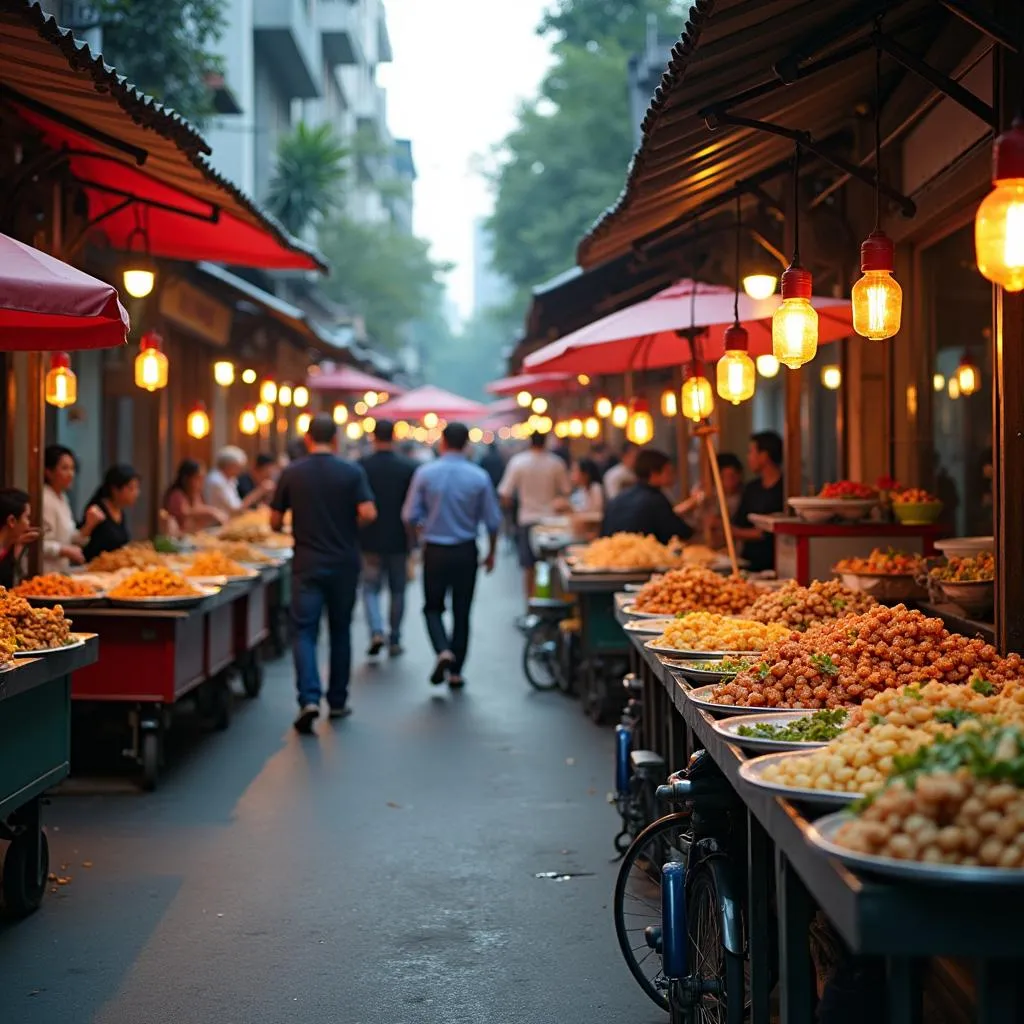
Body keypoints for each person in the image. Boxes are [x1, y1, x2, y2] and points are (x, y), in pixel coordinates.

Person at [270, 414, 377, 734]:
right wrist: (346, 527)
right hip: (344, 562)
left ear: (307, 438)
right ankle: (339, 700)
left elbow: (274, 522)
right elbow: (369, 513)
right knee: (340, 630)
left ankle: (309, 698)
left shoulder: (292, 472)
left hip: (307, 562)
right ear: (335, 439)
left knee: (304, 632)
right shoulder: (351, 471)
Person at [402, 422, 502, 690]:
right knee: (462, 610)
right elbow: (493, 522)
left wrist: (416, 541)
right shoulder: (478, 476)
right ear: (467, 444)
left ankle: (442, 650)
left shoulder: (425, 473)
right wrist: (491, 552)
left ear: (442, 442)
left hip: (434, 549)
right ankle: (456, 671)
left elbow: (409, 515)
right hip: (466, 550)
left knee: (432, 607)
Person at [358, 419, 417, 657]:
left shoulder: (361, 466)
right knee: (398, 589)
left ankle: (376, 630)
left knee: (370, 587)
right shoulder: (408, 467)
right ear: (395, 436)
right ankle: (395, 637)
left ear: (373, 437)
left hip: (369, 537)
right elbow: (414, 509)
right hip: (399, 538)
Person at [497, 431, 572, 609]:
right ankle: (556, 604)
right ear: (545, 442)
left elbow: (505, 494)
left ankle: (530, 605)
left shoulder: (518, 462)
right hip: (552, 522)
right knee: (555, 565)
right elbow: (566, 490)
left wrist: (510, 513)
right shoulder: (556, 463)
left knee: (528, 567)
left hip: (527, 519)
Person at [600, 449, 695, 544]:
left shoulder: (618, 498)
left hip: (609, 554)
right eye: (669, 471)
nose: (673, 475)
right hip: (641, 556)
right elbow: (681, 532)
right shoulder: (655, 499)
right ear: (654, 474)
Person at [41, 444, 101, 574]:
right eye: (65, 468)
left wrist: (90, 524)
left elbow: (70, 538)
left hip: (60, 572)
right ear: (48, 472)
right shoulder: (44, 499)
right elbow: (38, 544)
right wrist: (65, 550)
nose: (71, 474)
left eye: (73, 469)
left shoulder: (62, 497)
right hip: (44, 571)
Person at [732, 431, 785, 572]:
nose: (748, 457)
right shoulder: (751, 488)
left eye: (751, 452)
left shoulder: (786, 489)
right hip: (749, 565)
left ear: (764, 456)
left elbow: (772, 531)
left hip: (777, 564)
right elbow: (739, 522)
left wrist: (733, 532)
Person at [679, 452, 745, 548]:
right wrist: (694, 501)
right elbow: (677, 513)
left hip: (727, 545)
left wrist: (719, 523)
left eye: (732, 476)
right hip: (696, 542)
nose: (729, 482)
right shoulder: (704, 490)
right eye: (723, 477)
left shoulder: (742, 497)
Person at [80, 464, 140, 563]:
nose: (136, 493)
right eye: (131, 488)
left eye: (137, 488)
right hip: (95, 568)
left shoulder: (120, 510)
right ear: (115, 490)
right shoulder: (96, 510)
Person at [205, 446, 274, 517]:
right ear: (229, 466)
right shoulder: (217, 480)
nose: (240, 471)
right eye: (238, 468)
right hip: (217, 523)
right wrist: (260, 490)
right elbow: (236, 509)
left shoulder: (229, 479)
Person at [163, 460, 228, 534]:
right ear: (186, 478)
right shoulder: (177, 494)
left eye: (202, 478)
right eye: (197, 478)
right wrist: (210, 512)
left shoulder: (195, 494)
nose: (201, 482)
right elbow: (185, 513)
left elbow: (199, 508)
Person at [0, 488, 40, 588]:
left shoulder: (9, 547)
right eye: (27, 517)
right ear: (12, 521)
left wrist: (19, 544)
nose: (29, 524)